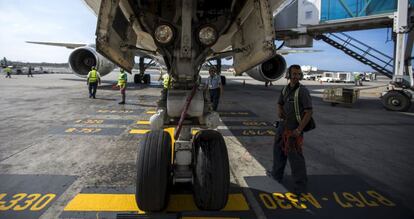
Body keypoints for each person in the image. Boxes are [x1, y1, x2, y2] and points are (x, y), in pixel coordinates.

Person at [267, 64, 313, 195]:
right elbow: (279, 102)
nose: (296, 77)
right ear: (289, 75)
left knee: (296, 159)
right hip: (282, 127)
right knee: (278, 154)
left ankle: (300, 188)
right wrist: (279, 110)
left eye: (298, 74)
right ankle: (276, 177)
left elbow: (309, 112)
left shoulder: (302, 91)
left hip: (294, 129)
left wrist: (299, 130)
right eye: (294, 74)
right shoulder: (285, 89)